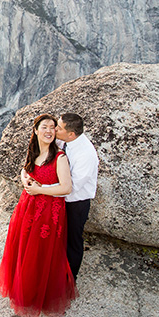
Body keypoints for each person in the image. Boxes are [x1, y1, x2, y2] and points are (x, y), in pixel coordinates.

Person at [0, 113, 77, 317]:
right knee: (25, 249)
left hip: (49, 211)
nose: (49, 131)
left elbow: (66, 188)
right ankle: (25, 290)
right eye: (45, 127)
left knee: (42, 252)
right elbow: (25, 170)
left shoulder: (60, 157)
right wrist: (25, 180)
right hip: (28, 207)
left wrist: (40, 190)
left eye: (52, 127)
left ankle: (40, 295)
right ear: (36, 131)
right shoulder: (33, 153)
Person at [54, 113, 99, 281]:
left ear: (71, 134)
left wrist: (43, 188)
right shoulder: (67, 141)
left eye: (59, 128)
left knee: (73, 240)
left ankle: (69, 278)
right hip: (62, 199)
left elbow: (72, 187)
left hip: (76, 203)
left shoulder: (85, 154)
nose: (55, 129)